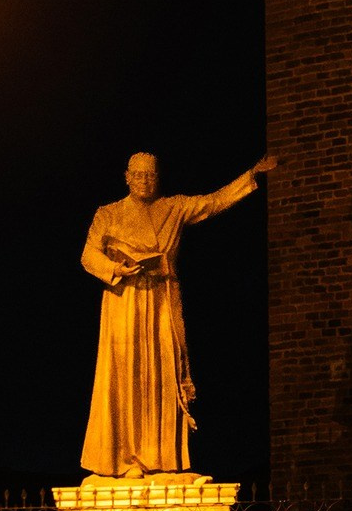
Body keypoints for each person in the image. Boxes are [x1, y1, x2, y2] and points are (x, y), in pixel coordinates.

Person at [79, 152, 274, 477]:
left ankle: (158, 456)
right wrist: (116, 268)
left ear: (158, 178)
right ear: (127, 177)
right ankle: (124, 457)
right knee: (124, 375)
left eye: (150, 175)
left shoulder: (174, 207)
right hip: (123, 299)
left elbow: (213, 202)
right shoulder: (108, 213)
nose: (144, 181)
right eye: (138, 175)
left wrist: (251, 174)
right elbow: (88, 255)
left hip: (161, 299)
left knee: (161, 372)